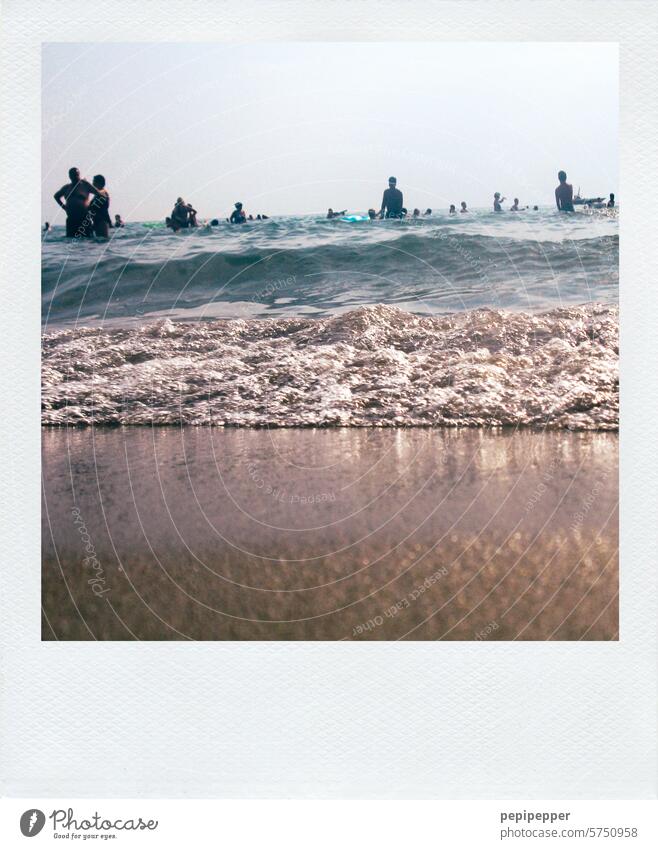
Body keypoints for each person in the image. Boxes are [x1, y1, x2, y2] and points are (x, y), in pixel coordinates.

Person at [53, 167, 102, 237]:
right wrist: (64, 207)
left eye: (77, 174)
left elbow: (99, 194)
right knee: (70, 240)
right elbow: (56, 196)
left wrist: (91, 206)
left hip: (84, 218)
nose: (75, 176)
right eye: (73, 175)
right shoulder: (66, 187)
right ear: (69, 176)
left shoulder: (85, 185)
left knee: (87, 241)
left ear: (79, 175)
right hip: (71, 219)